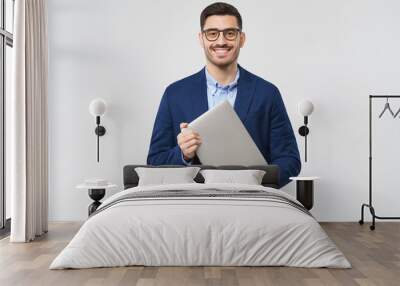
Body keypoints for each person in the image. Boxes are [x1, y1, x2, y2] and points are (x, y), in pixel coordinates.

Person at [147, 2, 301, 187]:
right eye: (212, 33)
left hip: (251, 202)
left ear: (241, 39)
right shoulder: (175, 94)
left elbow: (290, 161)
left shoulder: (267, 93)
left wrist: (256, 181)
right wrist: (183, 154)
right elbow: (155, 161)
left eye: (230, 33)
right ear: (201, 39)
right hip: (194, 202)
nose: (221, 41)